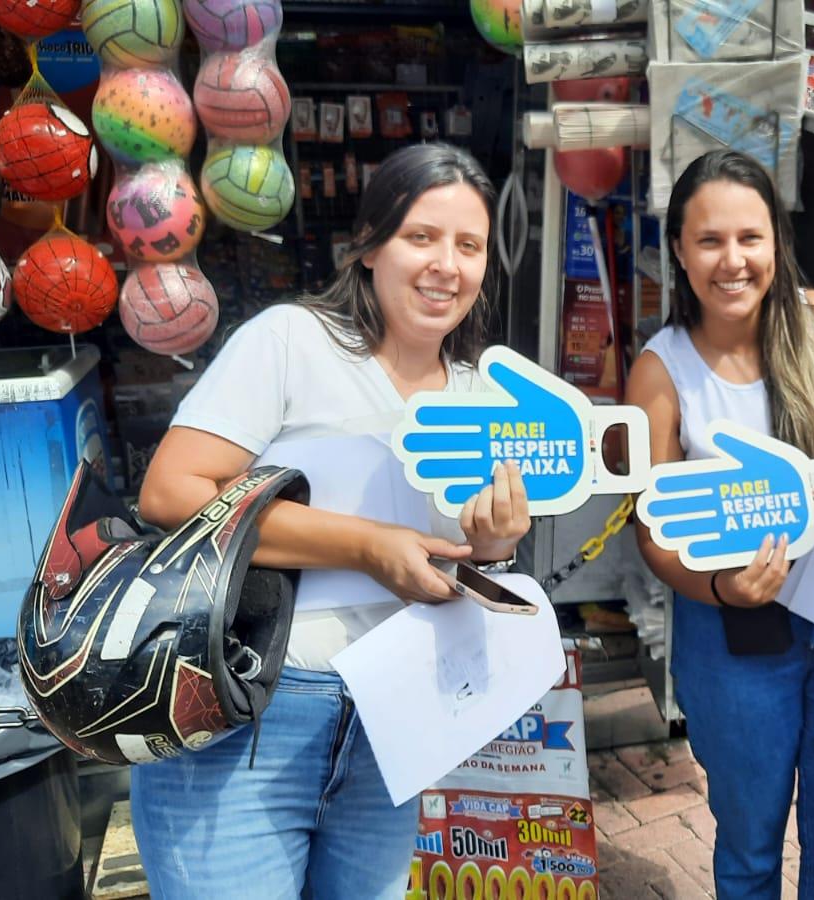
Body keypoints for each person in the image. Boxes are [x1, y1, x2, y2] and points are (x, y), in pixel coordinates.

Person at [131, 144, 531, 899]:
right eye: (421, 237)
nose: (446, 264)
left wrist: (494, 543)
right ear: (370, 246)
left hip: (395, 714)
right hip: (252, 708)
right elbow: (171, 490)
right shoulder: (293, 340)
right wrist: (366, 547)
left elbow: (462, 557)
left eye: (468, 246)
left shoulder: (483, 393)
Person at [627, 149, 814, 899]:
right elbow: (653, 530)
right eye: (710, 241)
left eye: (750, 238)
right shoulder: (660, 370)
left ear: (776, 243)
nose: (733, 261)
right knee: (750, 854)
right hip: (735, 636)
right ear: (680, 253)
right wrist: (724, 588)